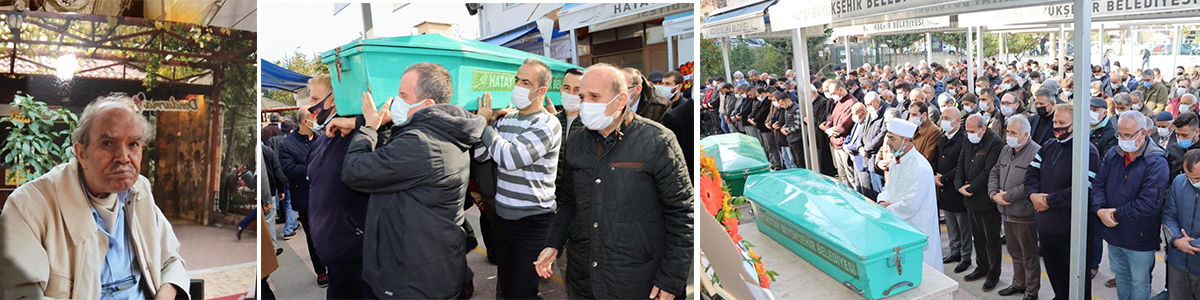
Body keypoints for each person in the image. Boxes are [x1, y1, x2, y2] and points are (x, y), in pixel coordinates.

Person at [0, 94, 189, 299]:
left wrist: (165, 294)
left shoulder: (139, 191)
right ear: (81, 153)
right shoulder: (29, 206)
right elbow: (21, 295)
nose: (124, 157)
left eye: (133, 144)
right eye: (108, 143)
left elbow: (172, 260)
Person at [535, 63, 692, 300]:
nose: (584, 104)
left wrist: (671, 279)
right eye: (582, 96)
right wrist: (554, 243)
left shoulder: (659, 141)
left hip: (639, 280)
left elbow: (682, 214)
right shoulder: (578, 141)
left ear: (620, 101)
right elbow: (569, 201)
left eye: (594, 97)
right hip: (584, 276)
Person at [338, 62, 484, 298]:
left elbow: (354, 172)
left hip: (416, 281)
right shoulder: (443, 132)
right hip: (433, 267)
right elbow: (392, 162)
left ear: (427, 105)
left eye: (403, 95)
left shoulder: (421, 143)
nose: (396, 100)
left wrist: (368, 129)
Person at [473, 58, 563, 300]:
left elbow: (511, 158)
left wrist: (484, 125)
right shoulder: (507, 120)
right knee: (506, 286)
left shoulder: (547, 124)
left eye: (526, 82)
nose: (519, 86)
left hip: (532, 222)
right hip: (503, 218)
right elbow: (482, 155)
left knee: (523, 291)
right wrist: (488, 124)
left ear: (542, 91)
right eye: (517, 80)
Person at [1025, 103, 1101, 300]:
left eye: (1062, 122)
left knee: (1076, 276)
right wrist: (1033, 195)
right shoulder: (1050, 145)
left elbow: (1083, 188)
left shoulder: (1087, 151)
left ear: (1076, 123)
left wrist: (1049, 200)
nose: (1057, 126)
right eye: (1055, 122)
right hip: (1046, 225)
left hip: (1070, 229)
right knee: (1054, 271)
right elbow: (1031, 173)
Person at [1093, 110, 1170, 300]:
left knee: (1139, 282)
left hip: (1140, 236)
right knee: (1122, 278)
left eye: (1128, 135)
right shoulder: (1114, 154)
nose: (1123, 139)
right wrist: (1099, 209)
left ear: (1144, 133)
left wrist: (1115, 215)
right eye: (1120, 134)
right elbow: (1098, 183)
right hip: (1113, 233)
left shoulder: (1156, 162)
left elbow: (1148, 203)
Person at [876, 118, 944, 273]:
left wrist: (887, 210)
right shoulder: (896, 161)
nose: (888, 142)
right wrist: (881, 201)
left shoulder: (920, 167)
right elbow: (888, 187)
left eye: (892, 138)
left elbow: (910, 205)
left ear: (906, 141)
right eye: (888, 137)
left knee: (923, 271)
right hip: (898, 223)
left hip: (916, 227)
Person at [989, 115, 1042, 300]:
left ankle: (1031, 291)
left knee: (1029, 255)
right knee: (1014, 252)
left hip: (1024, 214)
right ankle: (1018, 283)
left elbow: (1031, 183)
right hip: (1006, 212)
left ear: (1026, 134)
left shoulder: (1037, 152)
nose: (1008, 135)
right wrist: (994, 194)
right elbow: (995, 170)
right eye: (1008, 131)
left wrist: (1007, 196)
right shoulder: (1006, 149)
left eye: (1013, 132)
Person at [277, 106, 327, 287]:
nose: (317, 119)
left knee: (330, 231)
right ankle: (321, 271)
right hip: (306, 198)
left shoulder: (322, 138)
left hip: (327, 195)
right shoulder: (287, 144)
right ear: (305, 121)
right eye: (314, 116)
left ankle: (333, 264)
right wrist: (314, 169)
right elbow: (289, 170)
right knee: (313, 236)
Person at [955, 114, 1004, 291]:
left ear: (983, 129)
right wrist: (959, 184)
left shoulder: (994, 142)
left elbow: (988, 171)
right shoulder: (969, 139)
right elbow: (961, 162)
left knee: (991, 239)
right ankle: (981, 267)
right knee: (978, 237)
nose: (969, 134)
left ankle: (993, 273)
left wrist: (970, 188)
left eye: (972, 131)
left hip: (985, 200)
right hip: (970, 199)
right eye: (967, 131)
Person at [934, 106, 972, 273]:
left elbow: (960, 165)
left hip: (956, 187)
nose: (944, 120)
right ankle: (954, 251)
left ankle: (965, 256)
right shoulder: (943, 138)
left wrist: (943, 178)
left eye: (948, 118)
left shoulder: (964, 139)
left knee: (963, 225)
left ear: (957, 120)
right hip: (943, 188)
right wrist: (935, 175)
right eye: (943, 117)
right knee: (950, 223)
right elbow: (937, 159)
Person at [1162, 149, 1200, 299]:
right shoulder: (1179, 182)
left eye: (1197, 178)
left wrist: (1192, 245)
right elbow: (1169, 215)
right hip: (1177, 263)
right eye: (1189, 177)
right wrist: (1176, 240)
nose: (1193, 182)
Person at [820, 80, 860, 185]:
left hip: (844, 143)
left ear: (841, 89)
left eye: (833, 93)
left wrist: (831, 130)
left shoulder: (851, 102)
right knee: (842, 175)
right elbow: (831, 119)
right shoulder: (838, 102)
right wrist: (827, 129)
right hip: (836, 143)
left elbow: (844, 126)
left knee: (851, 176)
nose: (832, 96)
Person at [557, 68, 586, 141]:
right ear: (561, 90)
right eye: (567, 88)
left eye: (577, 89)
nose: (571, 93)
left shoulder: (590, 124)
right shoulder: (553, 121)